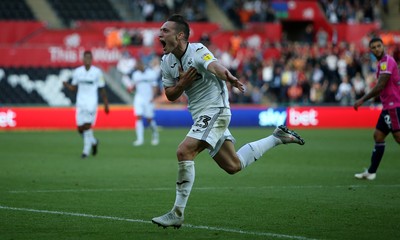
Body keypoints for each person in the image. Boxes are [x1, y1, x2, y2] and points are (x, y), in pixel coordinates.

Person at [151, 14, 305, 229]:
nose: (160, 34)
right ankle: (277, 138)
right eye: (160, 30)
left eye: (165, 31)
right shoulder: (167, 61)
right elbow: (170, 95)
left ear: (180, 36)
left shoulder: (197, 51)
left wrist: (229, 76)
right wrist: (183, 83)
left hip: (216, 110)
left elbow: (214, 66)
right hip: (201, 115)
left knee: (184, 151)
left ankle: (177, 212)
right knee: (233, 165)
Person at [353, 37, 400, 180]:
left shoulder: (387, 62)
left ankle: (371, 171)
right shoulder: (381, 64)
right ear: (371, 50)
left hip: (394, 106)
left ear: (383, 46)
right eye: (373, 47)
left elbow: (380, 86)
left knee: (398, 138)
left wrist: (362, 99)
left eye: (379, 46)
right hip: (387, 107)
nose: (377, 49)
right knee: (378, 136)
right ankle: (371, 172)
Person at [63, 50, 110, 158]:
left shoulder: (97, 72)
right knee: (80, 128)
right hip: (80, 103)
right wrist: (66, 85)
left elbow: (102, 88)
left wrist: (106, 104)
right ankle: (93, 142)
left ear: (92, 59)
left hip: (91, 103)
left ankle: (85, 151)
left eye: (89, 58)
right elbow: (74, 87)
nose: (87, 60)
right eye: (85, 58)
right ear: (83, 59)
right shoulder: (77, 72)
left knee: (87, 126)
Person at [129, 58, 159, 146]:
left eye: (138, 65)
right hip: (139, 98)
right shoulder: (135, 75)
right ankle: (139, 139)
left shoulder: (151, 73)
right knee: (138, 117)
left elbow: (155, 86)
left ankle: (155, 135)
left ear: (142, 65)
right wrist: (131, 89)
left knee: (149, 119)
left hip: (148, 98)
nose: (137, 67)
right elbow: (134, 86)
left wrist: (153, 97)